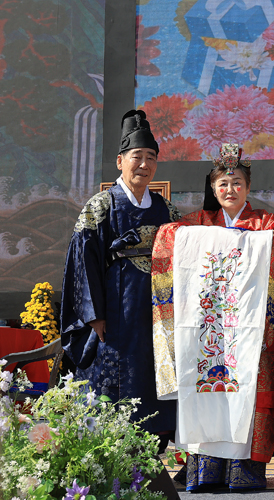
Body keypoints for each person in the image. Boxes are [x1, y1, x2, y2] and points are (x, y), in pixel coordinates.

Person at [150, 143, 274, 491]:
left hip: (250, 327)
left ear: (248, 188)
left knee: (249, 390)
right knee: (205, 390)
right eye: (222, 184)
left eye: (237, 183)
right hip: (207, 329)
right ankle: (206, 469)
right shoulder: (194, 225)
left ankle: (244, 468)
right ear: (213, 188)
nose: (229, 190)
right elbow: (167, 240)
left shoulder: (269, 226)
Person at [61, 109, 180, 439]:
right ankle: (113, 454)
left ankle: (152, 456)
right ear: (119, 161)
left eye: (151, 157)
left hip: (157, 315)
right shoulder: (101, 205)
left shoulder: (165, 210)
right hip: (116, 316)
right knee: (116, 384)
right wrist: (93, 316)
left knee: (154, 377)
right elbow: (82, 263)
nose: (144, 164)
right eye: (137, 156)